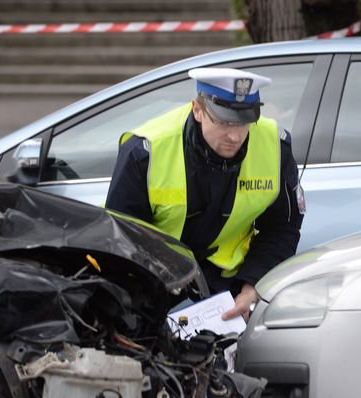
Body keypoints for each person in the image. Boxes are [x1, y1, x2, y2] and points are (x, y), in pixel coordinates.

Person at [106, 68, 304, 321]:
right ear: (197, 110)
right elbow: (120, 241)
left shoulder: (274, 146)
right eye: (223, 122)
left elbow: (282, 227)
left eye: (244, 123)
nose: (235, 136)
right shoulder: (146, 152)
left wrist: (252, 288)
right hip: (156, 281)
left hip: (231, 285)